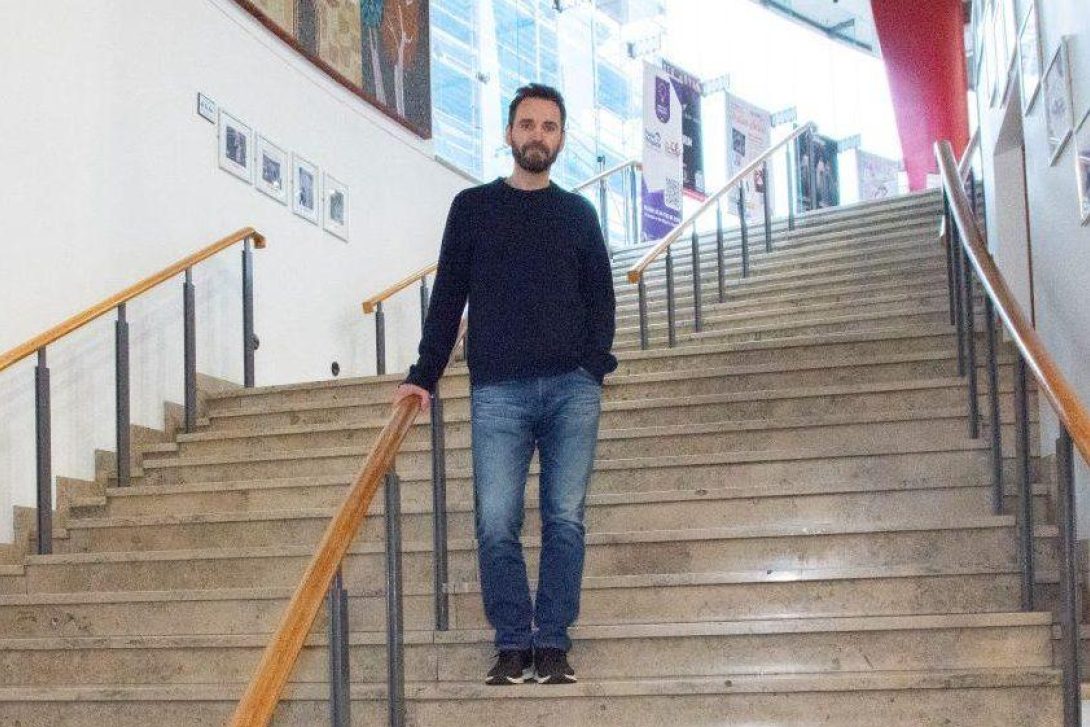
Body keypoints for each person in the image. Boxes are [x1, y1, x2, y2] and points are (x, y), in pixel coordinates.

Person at [393, 83, 617, 685]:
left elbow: (601, 296)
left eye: (549, 126)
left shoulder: (579, 215)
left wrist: (593, 367)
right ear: (508, 133)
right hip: (498, 390)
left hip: (572, 389)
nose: (537, 135)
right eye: (527, 124)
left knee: (565, 519)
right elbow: (448, 296)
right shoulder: (473, 207)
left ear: (561, 139)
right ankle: (513, 642)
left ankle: (554, 642)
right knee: (495, 522)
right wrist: (424, 374)